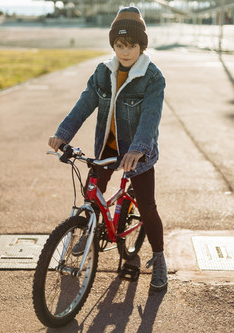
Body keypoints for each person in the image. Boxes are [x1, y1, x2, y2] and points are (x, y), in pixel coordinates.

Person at [48, 6, 167, 291]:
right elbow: (84, 104)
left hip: (137, 152)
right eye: (119, 45)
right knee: (90, 193)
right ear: (113, 45)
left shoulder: (153, 77)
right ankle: (87, 231)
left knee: (147, 207)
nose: (125, 52)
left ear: (142, 45)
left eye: (132, 45)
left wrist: (138, 148)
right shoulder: (103, 72)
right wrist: (62, 134)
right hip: (107, 147)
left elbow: (151, 117)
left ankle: (159, 257)